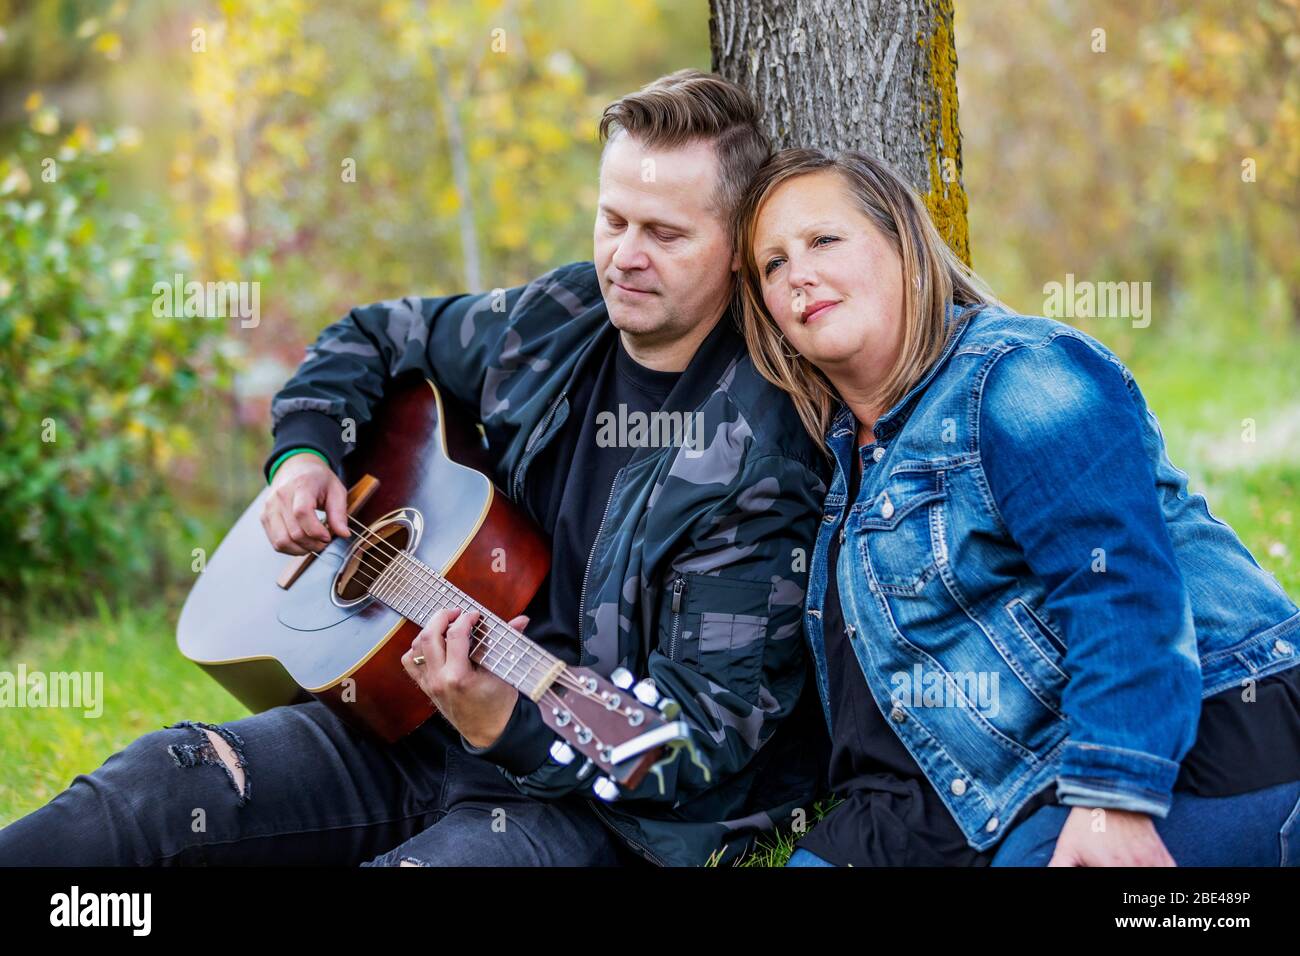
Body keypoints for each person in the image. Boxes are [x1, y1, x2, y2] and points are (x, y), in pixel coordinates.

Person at [0, 71, 830, 868]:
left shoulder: (755, 463)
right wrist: (305, 456)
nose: (624, 257)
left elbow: (700, 739)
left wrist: (506, 723)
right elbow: (370, 335)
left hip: (590, 811)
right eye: (612, 221)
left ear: (736, 250)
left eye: (665, 234)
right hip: (408, 716)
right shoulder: (558, 318)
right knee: (156, 784)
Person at [732, 147, 1300, 867]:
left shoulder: (1016, 374)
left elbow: (1117, 586)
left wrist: (1113, 796)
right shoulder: (844, 468)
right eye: (773, 264)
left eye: (823, 240)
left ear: (903, 246)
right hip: (964, 798)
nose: (798, 274)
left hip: (1195, 745)